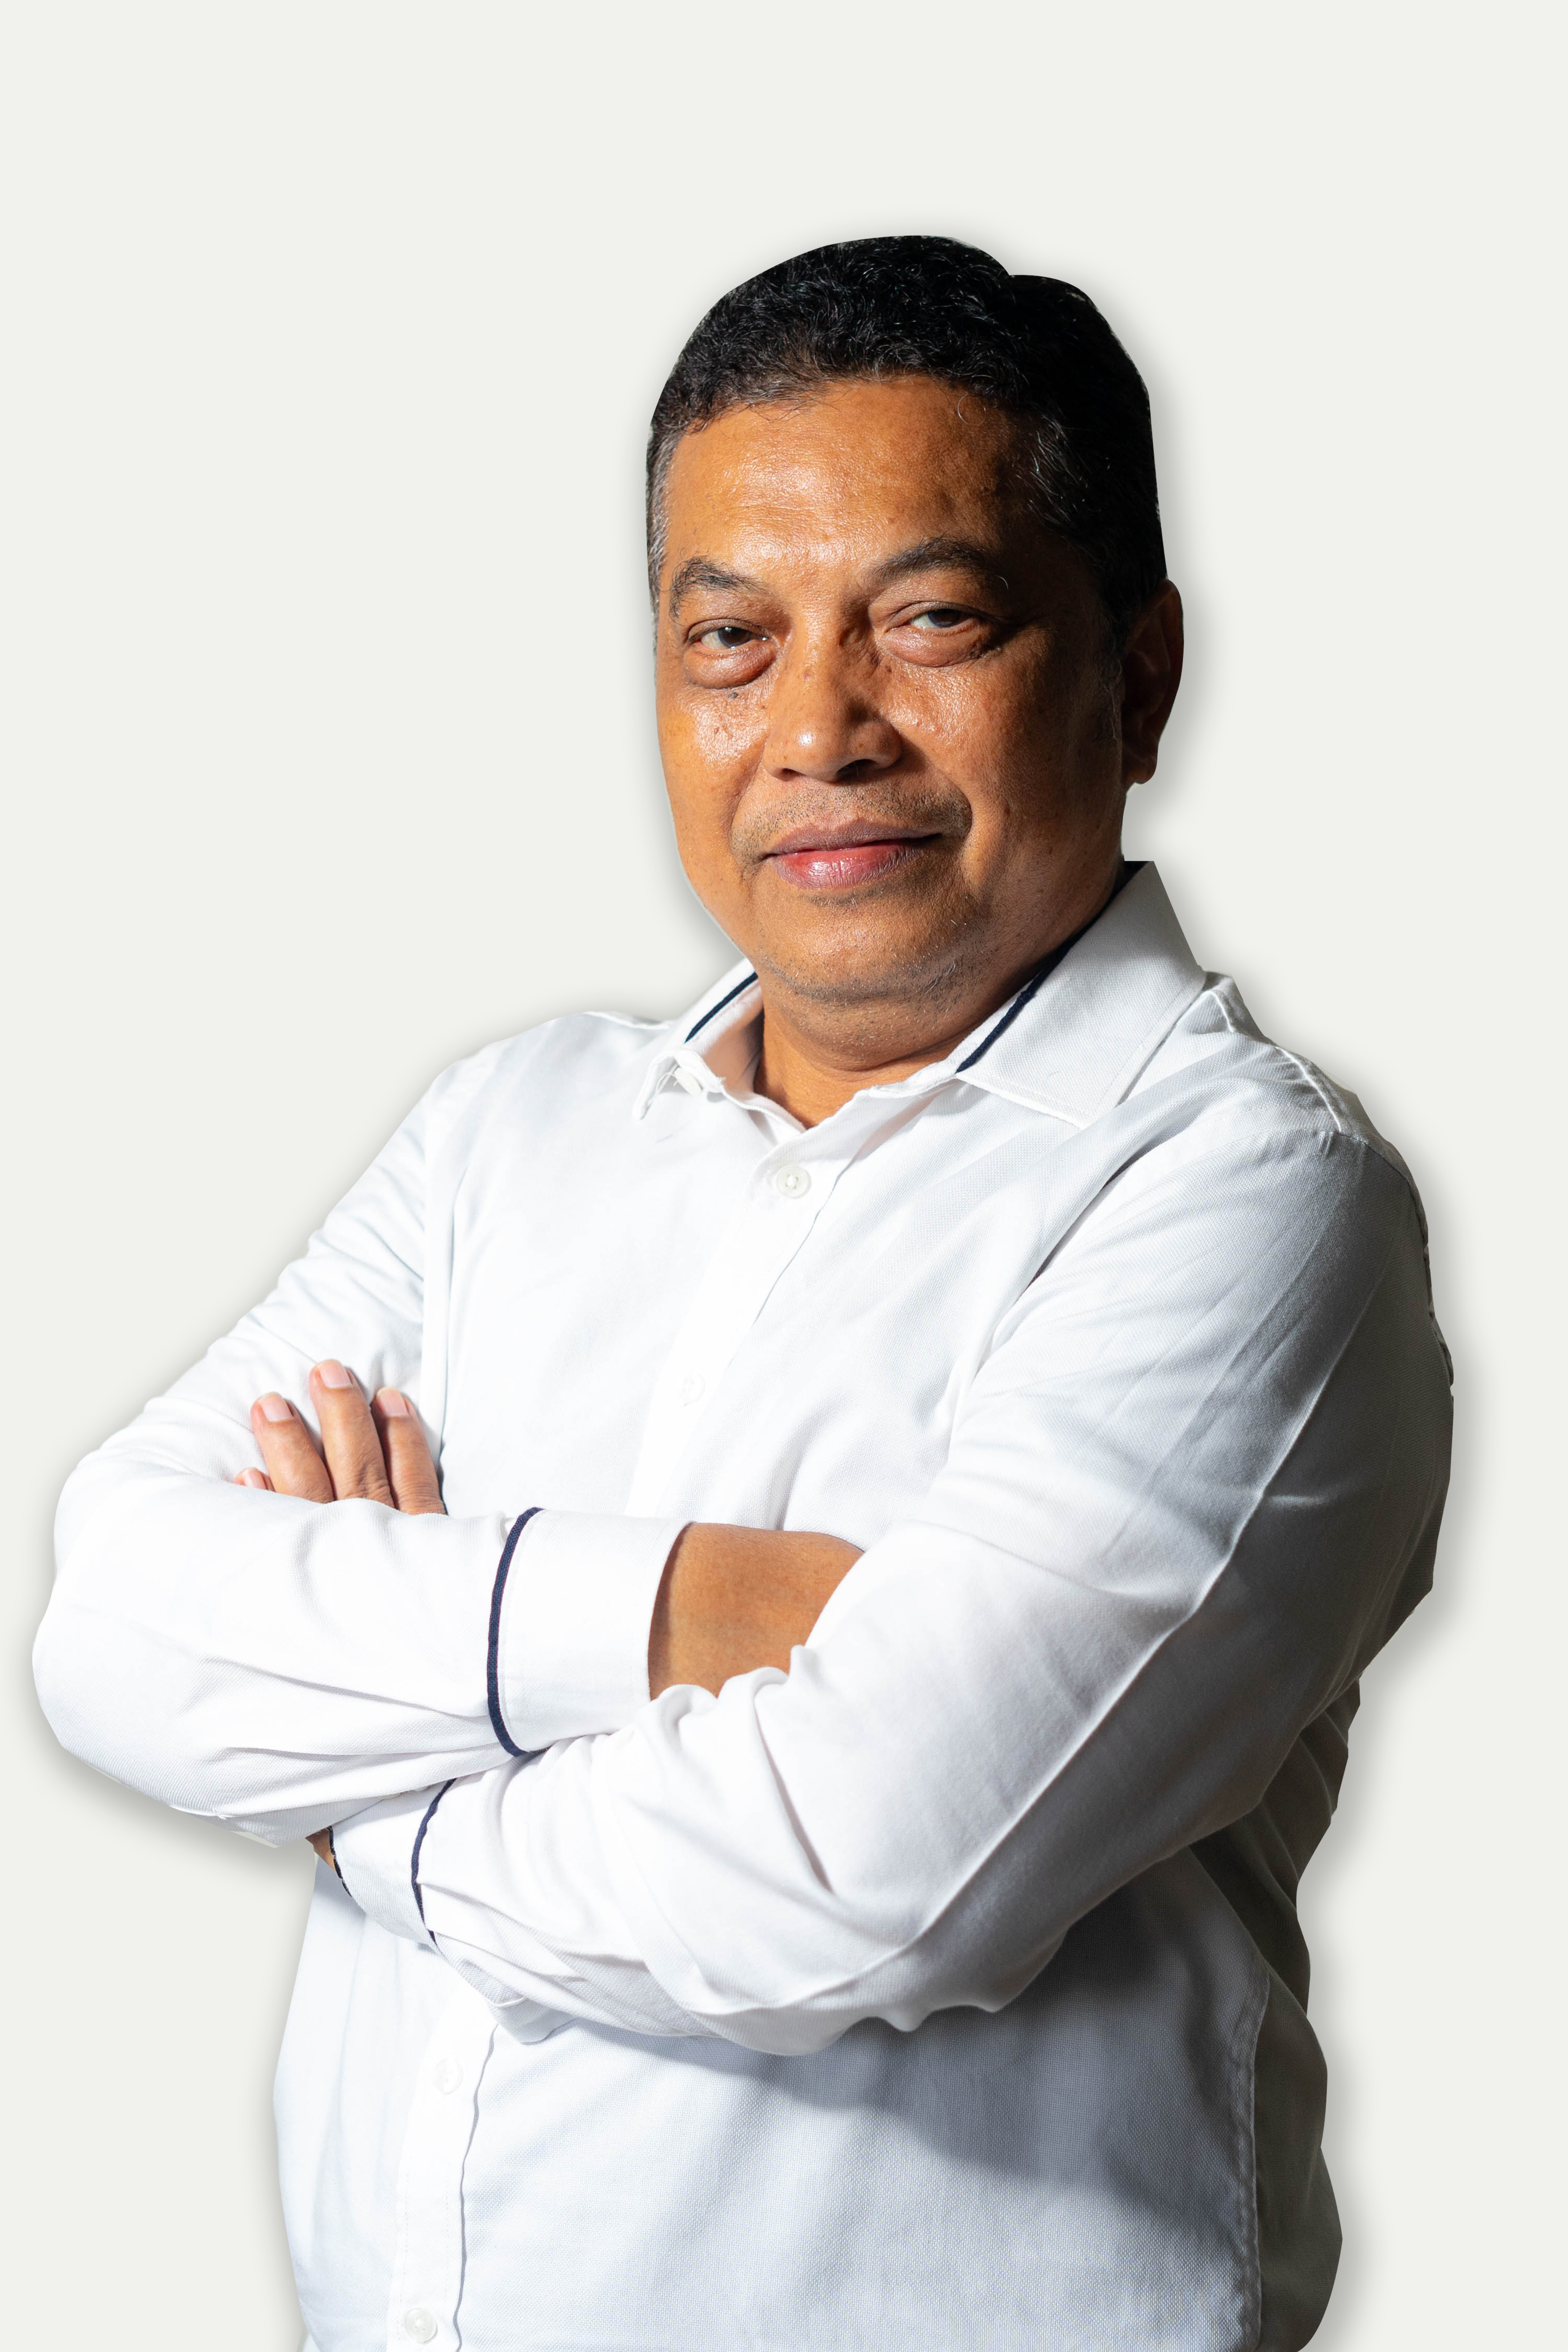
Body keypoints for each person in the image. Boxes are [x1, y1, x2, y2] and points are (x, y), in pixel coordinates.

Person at [33, 236, 1452, 2352]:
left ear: (1140, 670)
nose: (816, 731)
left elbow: (867, 1877)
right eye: (730, 640)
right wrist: (687, 1614)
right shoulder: (509, 1126)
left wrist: (357, 1808)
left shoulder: (1245, 1199)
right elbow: (120, 1619)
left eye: (933, 621)